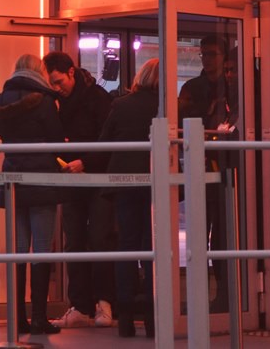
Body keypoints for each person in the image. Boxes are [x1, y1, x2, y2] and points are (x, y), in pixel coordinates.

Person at [0, 54, 65, 336]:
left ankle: (17, 316)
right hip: (41, 179)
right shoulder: (44, 101)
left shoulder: (1, 101)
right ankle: (40, 317)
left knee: (18, 251)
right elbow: (56, 141)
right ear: (38, 72)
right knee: (42, 250)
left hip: (12, 178)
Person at [42, 50, 117, 329]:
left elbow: (108, 140)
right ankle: (81, 305)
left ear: (72, 72)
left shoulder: (98, 99)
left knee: (99, 239)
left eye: (59, 81)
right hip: (73, 177)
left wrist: (85, 162)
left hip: (96, 178)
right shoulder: (57, 103)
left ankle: (103, 302)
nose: (56, 87)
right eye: (52, 82)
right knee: (74, 240)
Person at [99, 58, 160, 338]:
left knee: (127, 246)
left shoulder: (121, 105)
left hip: (124, 182)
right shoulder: (166, 106)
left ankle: (125, 319)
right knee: (153, 248)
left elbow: (105, 141)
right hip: (156, 181)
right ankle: (152, 316)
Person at [178, 35, 239, 313]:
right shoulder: (194, 87)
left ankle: (225, 295)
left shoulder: (233, 87)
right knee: (199, 237)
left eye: (212, 54)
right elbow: (181, 124)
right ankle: (202, 296)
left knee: (224, 237)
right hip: (203, 167)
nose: (207, 59)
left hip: (227, 168)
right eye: (203, 54)